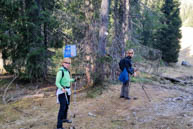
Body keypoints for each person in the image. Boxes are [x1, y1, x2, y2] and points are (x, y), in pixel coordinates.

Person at [56, 58, 75, 129]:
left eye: (69, 63)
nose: (68, 64)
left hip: (68, 91)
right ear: (63, 63)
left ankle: (64, 118)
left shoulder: (67, 71)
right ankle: (59, 126)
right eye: (67, 63)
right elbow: (57, 82)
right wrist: (62, 88)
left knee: (67, 105)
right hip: (62, 92)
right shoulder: (60, 71)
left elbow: (67, 79)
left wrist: (74, 80)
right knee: (62, 108)